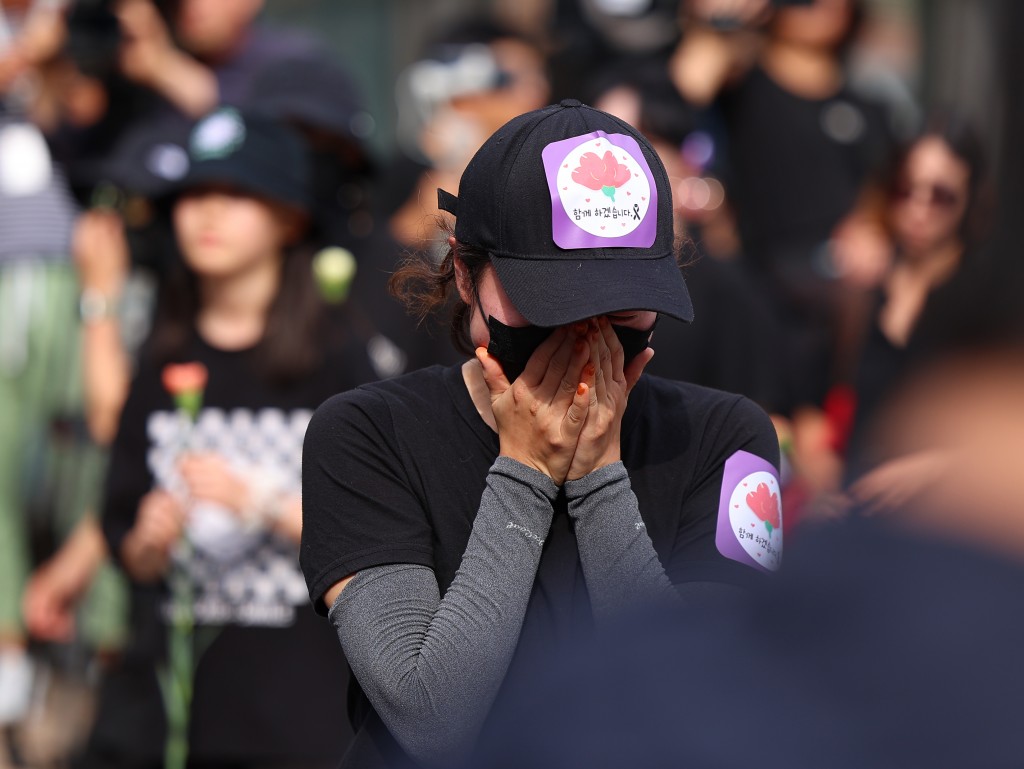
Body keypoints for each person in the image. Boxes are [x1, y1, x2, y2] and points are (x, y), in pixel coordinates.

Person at [300, 100, 782, 768]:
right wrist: (524, 472)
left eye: (618, 303)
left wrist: (598, 479)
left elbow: (700, 701)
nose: (586, 332)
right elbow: (431, 717)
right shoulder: (367, 434)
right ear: (466, 274)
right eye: (553, 302)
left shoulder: (725, 439)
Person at [77, 108, 376, 769]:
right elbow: (124, 526)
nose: (206, 214)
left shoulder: (338, 357)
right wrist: (149, 539)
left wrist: (260, 502)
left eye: (238, 195)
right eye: (193, 195)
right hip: (173, 721)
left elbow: (380, 539)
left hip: (305, 720)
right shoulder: (162, 356)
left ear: (291, 220)